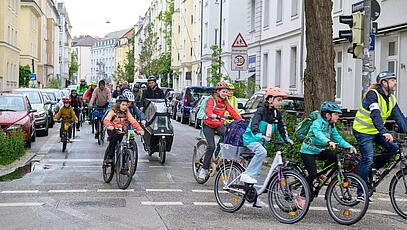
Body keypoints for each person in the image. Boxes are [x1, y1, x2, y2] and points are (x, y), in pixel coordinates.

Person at [353, 71, 407, 200]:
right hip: (362, 131)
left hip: (376, 131)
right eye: (392, 80)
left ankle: (373, 168)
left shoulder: (391, 99)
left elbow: (400, 119)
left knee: (393, 148)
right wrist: (384, 131)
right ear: (384, 82)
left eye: (395, 80)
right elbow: (375, 114)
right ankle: (361, 192)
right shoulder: (373, 95)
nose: (396, 83)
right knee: (367, 158)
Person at [240, 87, 293, 207]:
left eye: (281, 100)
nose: (280, 102)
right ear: (270, 99)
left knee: (257, 171)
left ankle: (253, 197)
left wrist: (286, 139)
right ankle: (246, 174)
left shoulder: (276, 113)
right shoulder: (261, 110)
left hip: (262, 141)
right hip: (251, 139)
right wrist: (260, 136)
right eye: (278, 100)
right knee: (262, 153)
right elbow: (254, 125)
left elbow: (281, 128)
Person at [301, 101, 357, 200]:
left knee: (336, 155)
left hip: (319, 150)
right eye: (335, 114)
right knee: (312, 174)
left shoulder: (331, 125)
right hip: (308, 151)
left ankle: (322, 174)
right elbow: (318, 133)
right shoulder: (317, 123)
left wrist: (349, 146)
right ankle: (302, 195)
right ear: (327, 115)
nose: (338, 116)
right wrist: (328, 141)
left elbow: (338, 138)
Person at [198, 82, 241, 180]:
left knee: (228, 135)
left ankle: (218, 153)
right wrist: (212, 115)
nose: (225, 94)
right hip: (208, 124)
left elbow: (233, 112)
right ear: (218, 91)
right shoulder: (211, 100)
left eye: (226, 92)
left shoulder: (225, 102)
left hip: (219, 124)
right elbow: (208, 110)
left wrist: (240, 120)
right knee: (211, 146)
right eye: (223, 91)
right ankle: (204, 169)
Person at [103, 96, 144, 163]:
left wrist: (139, 129)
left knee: (124, 143)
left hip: (121, 130)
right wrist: (109, 125)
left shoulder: (126, 112)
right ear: (119, 104)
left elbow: (132, 120)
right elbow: (106, 119)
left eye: (126, 105)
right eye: (123, 105)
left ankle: (123, 161)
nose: (125, 106)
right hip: (112, 129)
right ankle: (109, 157)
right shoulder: (113, 111)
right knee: (114, 138)